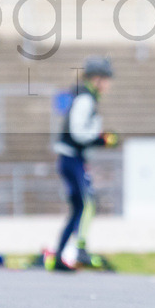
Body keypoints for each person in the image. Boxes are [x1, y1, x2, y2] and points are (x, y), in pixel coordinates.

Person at [50, 56, 118, 272]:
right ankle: (77, 249)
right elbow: (78, 132)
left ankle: (62, 253)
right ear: (96, 79)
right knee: (86, 203)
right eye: (106, 79)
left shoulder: (86, 96)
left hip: (74, 157)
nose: (108, 84)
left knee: (80, 206)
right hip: (71, 158)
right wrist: (101, 139)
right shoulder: (85, 98)